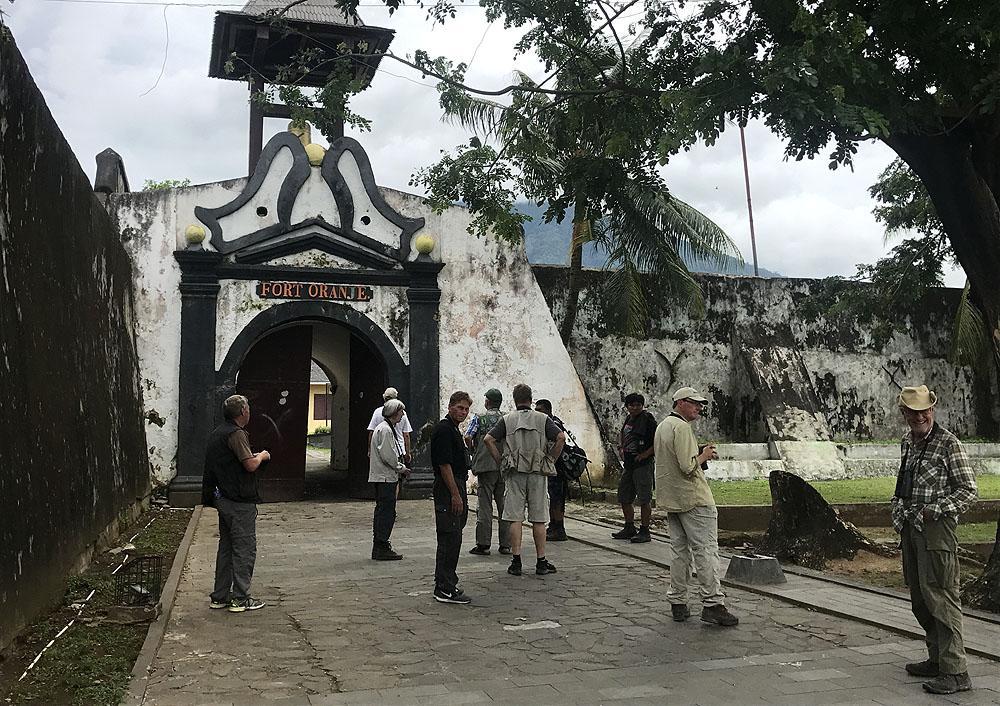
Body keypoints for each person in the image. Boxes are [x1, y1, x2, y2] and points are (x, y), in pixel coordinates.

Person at [892, 385, 978, 695]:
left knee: (942, 598)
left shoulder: (948, 444)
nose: (920, 416)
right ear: (904, 413)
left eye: (925, 410)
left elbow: (968, 490)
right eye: (913, 411)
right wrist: (898, 512)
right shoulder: (908, 443)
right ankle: (938, 659)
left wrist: (935, 510)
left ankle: (956, 671)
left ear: (933, 410)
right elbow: (904, 485)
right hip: (911, 530)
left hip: (938, 530)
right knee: (921, 600)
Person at [655, 386, 738, 627]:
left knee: (680, 552)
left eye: (700, 404)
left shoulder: (664, 426)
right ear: (680, 403)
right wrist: (704, 455)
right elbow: (687, 466)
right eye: (694, 403)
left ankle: (678, 601)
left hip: (672, 498)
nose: (699, 408)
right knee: (706, 551)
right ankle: (713, 603)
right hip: (693, 498)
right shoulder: (681, 427)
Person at [484, 384, 566, 577]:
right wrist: (550, 460)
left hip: (514, 472)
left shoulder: (507, 420)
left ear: (514, 399)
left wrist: (501, 461)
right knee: (539, 519)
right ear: (531, 399)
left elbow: (488, 439)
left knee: (515, 518)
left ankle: (516, 561)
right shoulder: (543, 419)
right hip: (537, 472)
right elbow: (561, 437)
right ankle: (541, 561)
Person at [201, 394, 271, 613]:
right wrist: (262, 456)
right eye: (248, 408)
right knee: (244, 549)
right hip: (238, 499)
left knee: (227, 548)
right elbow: (249, 465)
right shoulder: (236, 434)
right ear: (243, 412)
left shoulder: (217, 433)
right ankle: (241, 598)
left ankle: (220, 596)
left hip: (222, 497)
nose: (249, 411)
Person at [430, 391, 474, 604]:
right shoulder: (444, 430)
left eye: (466, 409)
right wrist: (455, 494)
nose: (463, 412)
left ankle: (447, 582)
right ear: (450, 407)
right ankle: (444, 586)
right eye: (460, 408)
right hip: (448, 486)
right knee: (449, 535)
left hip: (457, 483)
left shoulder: (453, 429)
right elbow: (444, 465)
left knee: (454, 534)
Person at [466, 388, 512, 556]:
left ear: (487, 401)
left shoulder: (479, 418)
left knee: (484, 505)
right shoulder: (506, 418)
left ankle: (483, 543)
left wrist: (473, 451)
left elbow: (468, 436)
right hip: (503, 465)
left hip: (486, 465)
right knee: (504, 505)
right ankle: (506, 544)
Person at [611, 392, 657, 543]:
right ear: (627, 407)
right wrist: (621, 449)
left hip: (642, 463)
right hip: (629, 463)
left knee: (644, 498)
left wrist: (644, 455)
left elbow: (656, 441)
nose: (635, 408)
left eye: (638, 405)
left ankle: (645, 530)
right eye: (632, 405)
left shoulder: (647, 419)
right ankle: (629, 526)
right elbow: (623, 436)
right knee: (624, 495)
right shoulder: (629, 419)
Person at [369, 399, 411, 561]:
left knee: (384, 510)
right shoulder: (385, 430)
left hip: (384, 475)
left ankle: (381, 543)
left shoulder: (385, 428)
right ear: (395, 413)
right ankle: (381, 544)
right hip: (385, 476)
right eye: (401, 412)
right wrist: (401, 468)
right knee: (386, 511)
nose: (402, 415)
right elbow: (388, 456)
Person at [535, 399, 569, 542]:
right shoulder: (546, 423)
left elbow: (558, 441)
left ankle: (559, 528)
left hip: (558, 467)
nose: (537, 413)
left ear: (548, 410)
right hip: (552, 466)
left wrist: (551, 460)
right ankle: (554, 525)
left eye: (540, 410)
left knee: (557, 499)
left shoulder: (553, 424)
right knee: (552, 497)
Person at [368, 387, 412, 465]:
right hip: (398, 450)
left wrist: (370, 450)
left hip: (380, 450)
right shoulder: (402, 413)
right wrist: (407, 453)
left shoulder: (377, 412)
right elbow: (406, 435)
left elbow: (371, 432)